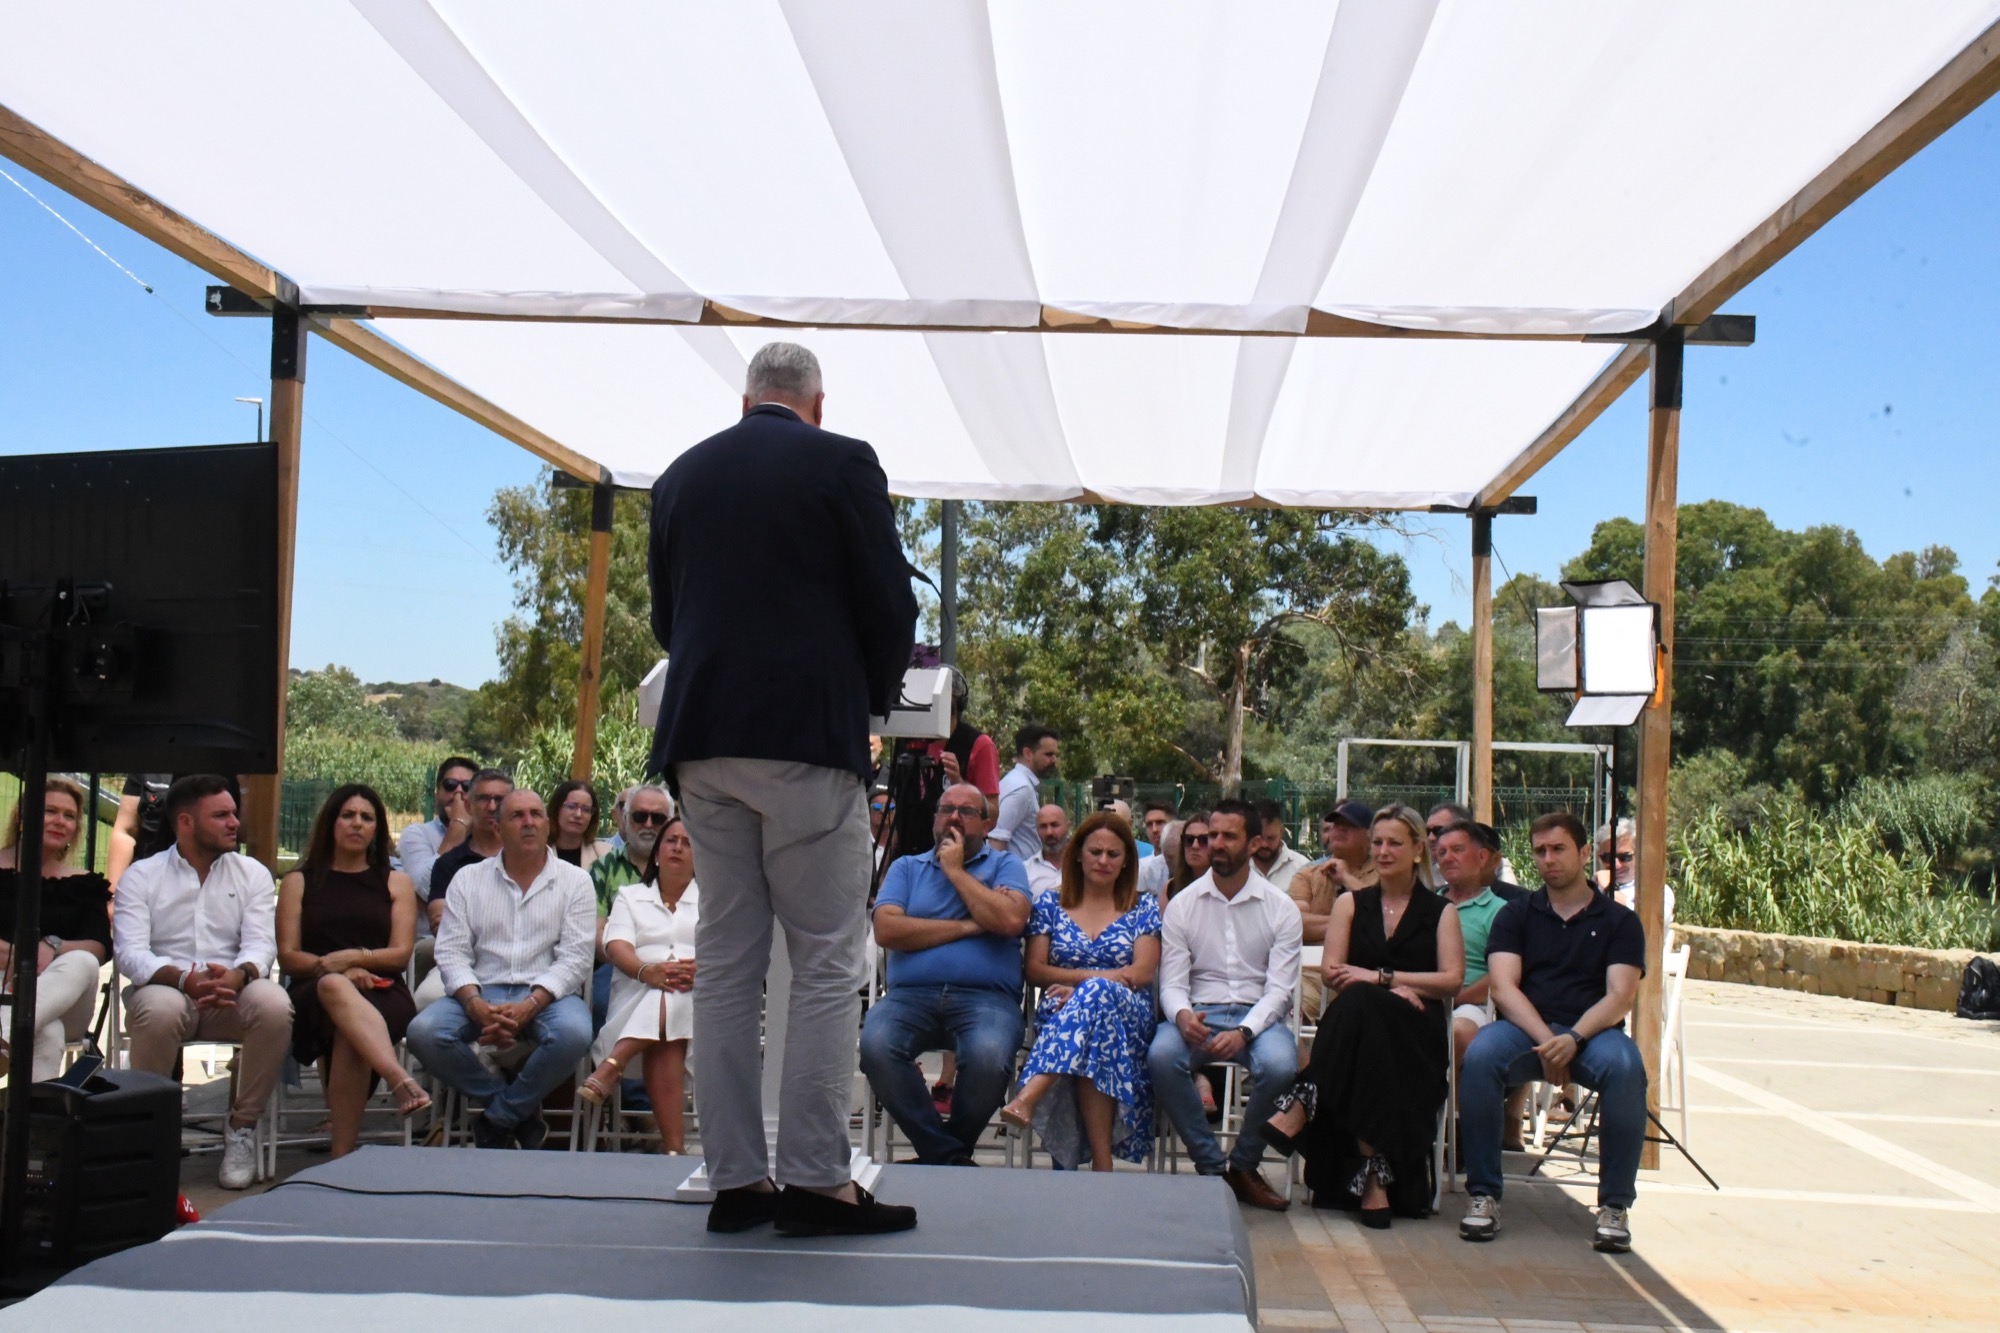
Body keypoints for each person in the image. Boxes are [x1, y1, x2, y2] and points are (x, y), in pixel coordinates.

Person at [648, 340, 919, 1236]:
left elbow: (669, 618)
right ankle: (814, 1179)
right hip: (807, 738)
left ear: (745, 400)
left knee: (727, 958)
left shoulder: (681, 475)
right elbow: (892, 604)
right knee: (827, 960)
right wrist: (867, 696)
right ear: (817, 402)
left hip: (701, 739)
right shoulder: (843, 461)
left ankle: (735, 1180)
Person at [1261, 806, 1464, 1226]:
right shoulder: (1350, 904)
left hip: (1415, 1034)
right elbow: (1332, 972)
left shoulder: (1440, 911)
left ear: (1418, 850)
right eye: (1378, 843)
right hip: (1361, 1034)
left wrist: (1382, 979)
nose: (1383, 851)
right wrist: (1393, 989)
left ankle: (1304, 1100)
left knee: (1362, 1000)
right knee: (1364, 1016)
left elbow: (1452, 980)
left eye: (1395, 843)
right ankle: (1375, 1180)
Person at [1459, 811, 1648, 1254]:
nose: (1548, 859)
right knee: (1481, 1055)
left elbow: (1620, 996)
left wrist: (1574, 1039)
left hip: (1593, 1034)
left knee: (1626, 1066)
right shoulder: (1516, 915)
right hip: (1527, 1030)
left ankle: (1615, 1206)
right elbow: (1504, 987)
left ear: (1584, 853)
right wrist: (1548, 1040)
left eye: (1558, 849)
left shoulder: (1620, 921)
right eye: (1540, 851)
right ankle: (1483, 1194)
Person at [115, 775, 292, 1189]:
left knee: (274, 1004)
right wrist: (183, 979)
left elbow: (261, 944)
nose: (235, 823)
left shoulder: (252, 874)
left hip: (231, 994)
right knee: (160, 1008)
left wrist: (240, 974)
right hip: (167, 990)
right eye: (221, 815)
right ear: (186, 822)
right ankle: (150, 1132)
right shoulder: (142, 876)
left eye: (234, 813)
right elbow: (129, 953)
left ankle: (242, 1127)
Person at [405, 790, 596, 1151]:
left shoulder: (576, 881)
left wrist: (531, 1004)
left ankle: (498, 1117)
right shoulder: (467, 879)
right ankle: (514, 1108)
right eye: (517, 816)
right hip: (483, 987)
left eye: (536, 814)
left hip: (548, 995)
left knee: (574, 1034)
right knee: (424, 1033)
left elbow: (575, 958)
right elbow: (451, 952)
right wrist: (474, 1004)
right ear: (498, 827)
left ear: (548, 824)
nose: (529, 823)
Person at [860, 783, 1031, 1166]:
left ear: (986, 824)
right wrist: (972, 924)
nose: (953, 817)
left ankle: (941, 1153)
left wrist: (955, 872)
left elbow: (1010, 920)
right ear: (934, 818)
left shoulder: (1006, 866)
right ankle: (948, 1156)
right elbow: (887, 930)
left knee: (989, 1057)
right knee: (877, 1045)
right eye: (946, 809)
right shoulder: (907, 867)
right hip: (909, 997)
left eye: (966, 811)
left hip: (987, 1000)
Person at [1148, 797, 1301, 1212]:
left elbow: (1280, 990)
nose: (1215, 843)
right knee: (1161, 1055)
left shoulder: (1281, 908)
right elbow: (1172, 982)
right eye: (1212, 835)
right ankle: (1212, 1168)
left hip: (1258, 1018)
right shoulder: (1183, 905)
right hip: (1200, 1012)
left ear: (1254, 844)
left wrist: (1245, 1031)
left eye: (1228, 836)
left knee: (1281, 1066)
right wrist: (1182, 1015)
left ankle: (1244, 1165)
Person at [999, 812, 1161, 1170]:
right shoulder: (1050, 904)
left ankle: (1030, 1094)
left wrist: (1086, 987)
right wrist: (1096, 983)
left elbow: (1142, 972)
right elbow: (1035, 969)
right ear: (1078, 855)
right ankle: (1103, 1165)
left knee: (1097, 999)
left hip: (1128, 1016)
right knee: (1094, 1033)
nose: (1103, 861)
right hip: (1063, 1012)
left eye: (1113, 854)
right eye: (1095, 852)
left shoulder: (1143, 906)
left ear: (1127, 861)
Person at [275, 785, 427, 1156]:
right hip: (313, 990)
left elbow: (400, 954)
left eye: (367, 817)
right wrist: (337, 971)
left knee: (350, 1032)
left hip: (382, 987)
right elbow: (289, 956)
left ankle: (340, 1156)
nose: (357, 823)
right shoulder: (299, 881)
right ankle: (398, 1078)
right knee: (333, 988)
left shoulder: (396, 882)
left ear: (377, 829)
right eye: (348, 815)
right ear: (331, 823)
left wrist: (354, 959)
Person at [581, 814, 699, 1154]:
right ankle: (674, 1148)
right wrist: (647, 971)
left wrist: (700, 969)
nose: (678, 847)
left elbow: (726, 949)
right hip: (636, 992)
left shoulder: (712, 901)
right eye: (671, 840)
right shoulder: (630, 897)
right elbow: (616, 945)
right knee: (669, 1001)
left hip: (699, 995)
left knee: (673, 994)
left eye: (688, 843)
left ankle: (614, 1062)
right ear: (657, 853)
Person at [0, 777, 112, 1081]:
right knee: (48, 1032)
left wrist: (52, 947)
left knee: (84, 960)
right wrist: (20, 955)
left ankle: (4, 1032)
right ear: (22, 817)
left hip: (67, 998)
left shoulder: (84, 883)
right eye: (49, 811)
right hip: (4, 985)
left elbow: (99, 946)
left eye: (69, 816)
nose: (60, 821)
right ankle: (37, 1112)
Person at [1434, 820, 1529, 1148]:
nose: (1447, 857)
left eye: (1457, 850)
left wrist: (1456, 997)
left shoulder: (1502, 912)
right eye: (1441, 852)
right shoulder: (1427, 903)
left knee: (1459, 1031)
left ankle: (1457, 1127)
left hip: (1473, 1005)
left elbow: (1503, 975)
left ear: (1483, 857)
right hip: (1422, 995)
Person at [426, 769, 513, 931]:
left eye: (499, 799)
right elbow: (443, 928)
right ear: (467, 805)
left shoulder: (526, 860)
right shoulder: (448, 865)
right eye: (483, 799)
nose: (492, 807)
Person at [397, 757, 480, 907]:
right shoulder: (416, 834)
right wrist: (458, 825)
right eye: (450, 785)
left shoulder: (488, 838)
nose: (459, 791)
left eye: (467, 787)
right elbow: (426, 889)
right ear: (437, 792)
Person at [991, 724, 1060, 858]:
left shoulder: (1018, 782)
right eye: (1048, 754)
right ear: (1028, 754)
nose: (1054, 760)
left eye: (1055, 755)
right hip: (1016, 870)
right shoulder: (1021, 788)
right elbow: (997, 839)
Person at [549, 779, 613, 872]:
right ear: (556, 809)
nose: (578, 815)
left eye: (586, 810)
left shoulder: (606, 853)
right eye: (571, 806)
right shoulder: (538, 851)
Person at [1250, 799, 1310, 892]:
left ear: (1281, 832)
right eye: (1259, 838)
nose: (1264, 844)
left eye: (1271, 838)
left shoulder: (1302, 868)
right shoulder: (1238, 868)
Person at [1024, 802, 1070, 896]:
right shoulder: (1025, 871)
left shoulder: (1084, 866)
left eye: (1055, 825)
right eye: (1043, 826)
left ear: (1068, 826)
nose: (1049, 832)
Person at [1166, 813, 1211, 900]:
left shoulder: (1226, 888)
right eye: (1189, 839)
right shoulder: (1171, 887)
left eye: (1204, 840)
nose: (1195, 846)